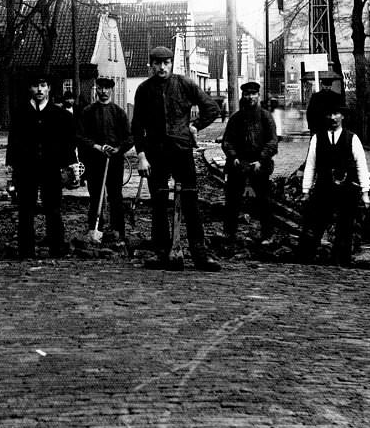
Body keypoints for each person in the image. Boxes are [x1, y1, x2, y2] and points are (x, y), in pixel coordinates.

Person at [131, 46, 221, 271]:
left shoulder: (185, 84)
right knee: (159, 202)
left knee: (191, 199)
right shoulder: (144, 90)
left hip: (181, 150)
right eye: (157, 63)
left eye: (166, 62)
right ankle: (161, 253)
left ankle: (199, 253)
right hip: (155, 153)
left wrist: (194, 126)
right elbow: (136, 126)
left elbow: (211, 108)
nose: (162, 67)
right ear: (151, 65)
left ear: (172, 64)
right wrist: (141, 156)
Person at [6, 73, 77, 259]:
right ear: (30, 89)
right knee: (25, 208)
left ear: (49, 88)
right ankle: (26, 250)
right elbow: (13, 140)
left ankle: (56, 249)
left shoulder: (60, 115)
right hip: (26, 168)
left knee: (53, 207)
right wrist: (11, 165)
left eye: (43, 85)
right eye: (35, 86)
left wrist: (69, 166)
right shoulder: (20, 113)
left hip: (50, 167)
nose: (39, 90)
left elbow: (68, 143)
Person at [298, 96, 370, 266]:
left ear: (342, 116)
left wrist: (365, 192)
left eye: (336, 114)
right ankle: (305, 259)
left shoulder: (352, 138)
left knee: (345, 227)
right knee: (315, 224)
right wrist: (306, 191)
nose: (333, 118)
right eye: (330, 114)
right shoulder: (317, 138)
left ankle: (341, 262)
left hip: (346, 191)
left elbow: (362, 165)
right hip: (323, 189)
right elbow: (310, 165)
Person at [77, 76, 133, 244]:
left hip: (114, 161)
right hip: (94, 161)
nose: (103, 91)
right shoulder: (87, 112)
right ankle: (95, 229)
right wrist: (97, 147)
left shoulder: (119, 112)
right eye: (100, 88)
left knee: (116, 195)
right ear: (96, 89)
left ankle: (118, 231)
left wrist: (117, 149)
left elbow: (129, 137)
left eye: (107, 88)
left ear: (111, 90)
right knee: (95, 196)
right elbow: (80, 136)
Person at [221, 81, 278, 243]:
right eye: (247, 94)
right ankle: (229, 234)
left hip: (259, 165)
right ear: (243, 96)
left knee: (264, 201)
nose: (250, 97)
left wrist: (261, 159)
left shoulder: (266, 117)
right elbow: (227, 141)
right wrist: (234, 157)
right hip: (238, 165)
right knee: (232, 201)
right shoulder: (236, 118)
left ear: (258, 96)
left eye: (253, 94)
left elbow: (273, 142)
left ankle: (268, 235)